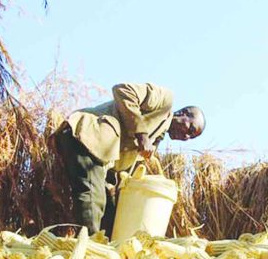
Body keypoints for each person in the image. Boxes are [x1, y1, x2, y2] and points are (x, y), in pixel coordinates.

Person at [51, 82, 205, 235]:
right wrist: (142, 135)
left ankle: (105, 245)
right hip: (88, 135)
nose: (186, 137)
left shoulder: (157, 136)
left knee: (111, 213)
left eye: (191, 137)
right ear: (183, 113)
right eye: (190, 129)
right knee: (93, 197)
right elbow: (122, 90)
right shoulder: (165, 100)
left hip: (101, 157)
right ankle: (89, 245)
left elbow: (124, 167)